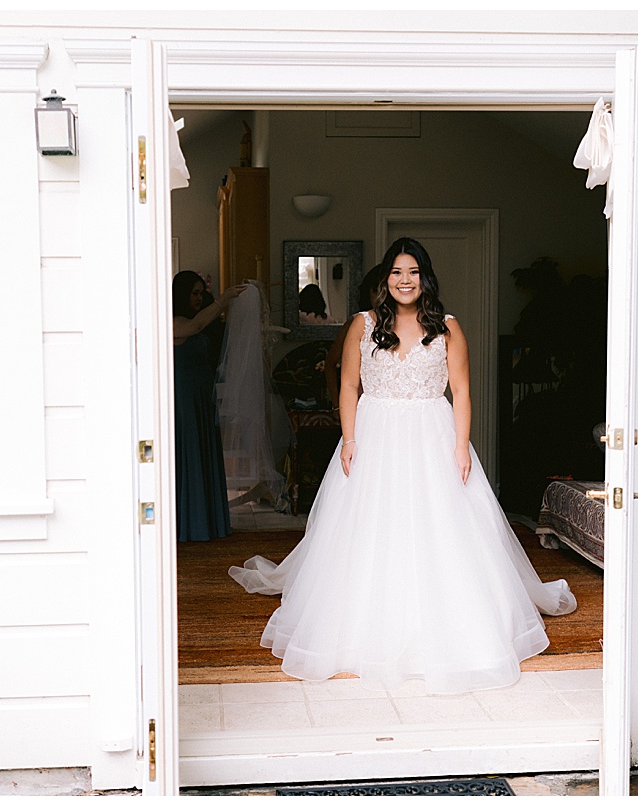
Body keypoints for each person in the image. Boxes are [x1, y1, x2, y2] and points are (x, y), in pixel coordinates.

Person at [229, 237, 576, 694]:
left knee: (440, 529)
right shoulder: (363, 324)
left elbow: (463, 393)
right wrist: (349, 439)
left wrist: (460, 445)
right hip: (373, 436)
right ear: (385, 279)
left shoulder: (448, 328)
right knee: (370, 528)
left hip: (432, 434)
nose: (404, 280)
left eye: (412, 272)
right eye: (396, 272)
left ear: (424, 278)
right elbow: (348, 385)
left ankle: (448, 626)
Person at [172, 271, 247, 542]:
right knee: (189, 454)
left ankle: (207, 522)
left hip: (203, 397)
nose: (198, 298)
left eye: (201, 293)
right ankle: (189, 524)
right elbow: (195, 328)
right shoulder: (173, 323)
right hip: (183, 399)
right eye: (193, 293)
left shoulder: (197, 321)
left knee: (203, 453)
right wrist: (224, 298)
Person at [324, 261, 386, 407]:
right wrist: (336, 404)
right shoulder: (357, 323)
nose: (380, 296)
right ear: (368, 292)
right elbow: (330, 363)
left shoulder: (407, 323)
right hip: (361, 404)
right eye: (375, 290)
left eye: (385, 290)